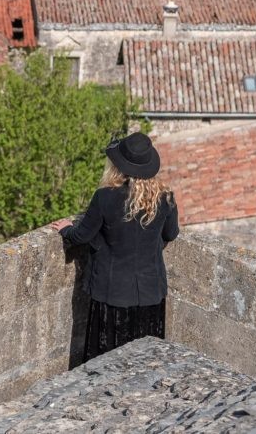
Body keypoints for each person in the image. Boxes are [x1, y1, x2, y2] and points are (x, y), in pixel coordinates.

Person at [50, 131, 179, 362]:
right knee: (146, 361)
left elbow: (81, 235)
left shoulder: (105, 197)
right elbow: (171, 233)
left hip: (112, 294)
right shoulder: (166, 197)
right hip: (151, 292)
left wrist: (66, 228)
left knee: (108, 361)